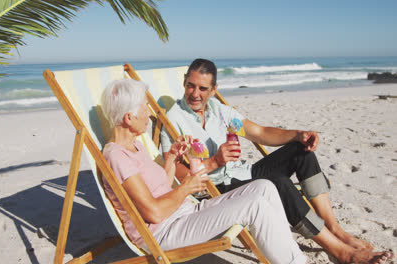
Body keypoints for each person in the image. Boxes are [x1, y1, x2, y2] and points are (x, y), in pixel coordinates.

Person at [160, 58, 394, 264]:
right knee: (278, 182)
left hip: (243, 173)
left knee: (301, 151)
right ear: (184, 81)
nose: (195, 93)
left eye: (202, 88)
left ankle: (334, 228)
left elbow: (259, 132)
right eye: (191, 85)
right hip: (217, 188)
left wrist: (297, 135)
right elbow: (171, 174)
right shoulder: (174, 120)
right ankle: (339, 251)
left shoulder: (220, 110)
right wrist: (214, 161)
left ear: (213, 89)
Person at [100, 78, 308, 264]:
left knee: (265, 188)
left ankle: (290, 256)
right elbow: (153, 213)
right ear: (129, 118)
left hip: (185, 213)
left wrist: (172, 157)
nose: (148, 113)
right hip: (166, 231)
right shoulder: (117, 157)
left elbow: (161, 184)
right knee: (255, 205)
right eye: (145, 108)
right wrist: (186, 188)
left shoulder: (136, 146)